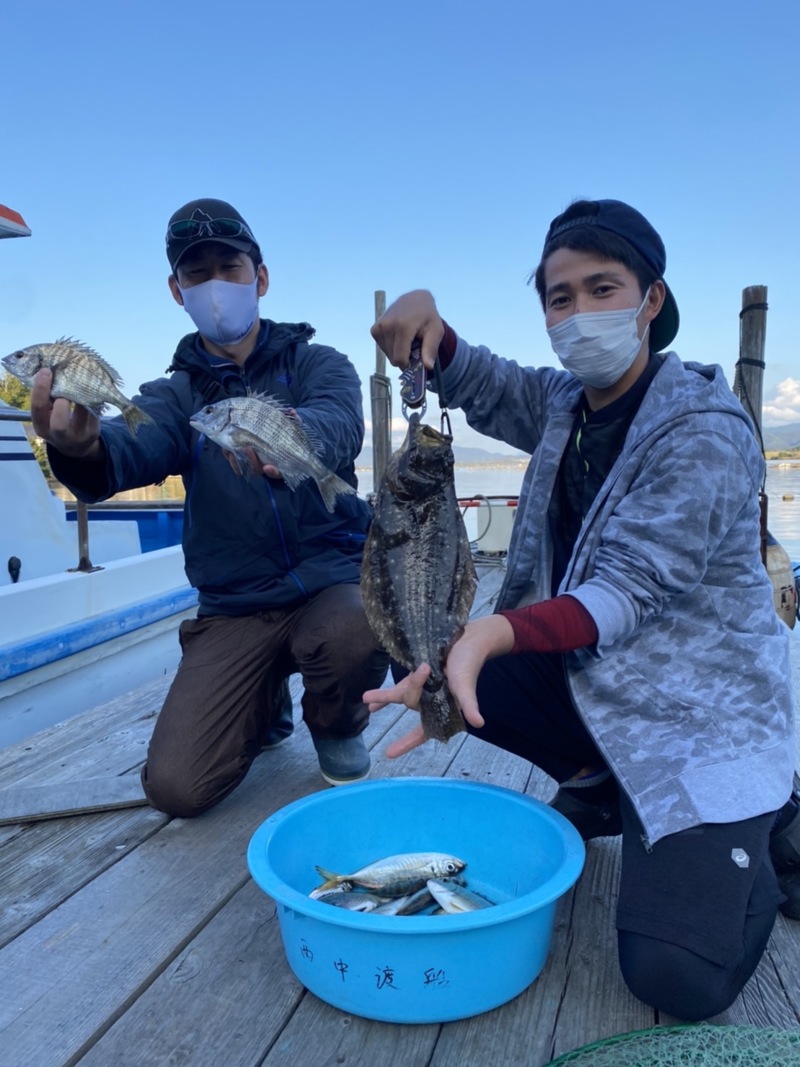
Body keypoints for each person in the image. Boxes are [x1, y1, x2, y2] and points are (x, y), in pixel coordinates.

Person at [365, 198, 799, 1021]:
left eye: (603, 289)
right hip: (603, 681)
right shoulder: (566, 403)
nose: (579, 312)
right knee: (438, 664)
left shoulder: (704, 428)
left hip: (701, 719)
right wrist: (434, 332)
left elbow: (627, 588)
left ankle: (767, 816)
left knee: (676, 976)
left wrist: (493, 630)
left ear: (651, 299)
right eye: (559, 297)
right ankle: (598, 781)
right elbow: (490, 383)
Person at [31, 197, 389, 813]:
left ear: (261, 277)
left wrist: (286, 435)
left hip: (331, 582)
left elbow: (339, 423)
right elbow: (130, 447)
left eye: (230, 267)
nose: (215, 285)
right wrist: (81, 448)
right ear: (178, 291)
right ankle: (263, 703)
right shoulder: (176, 395)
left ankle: (336, 726)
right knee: (177, 786)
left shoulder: (319, 363)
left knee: (355, 626)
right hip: (235, 606)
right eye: (197, 274)